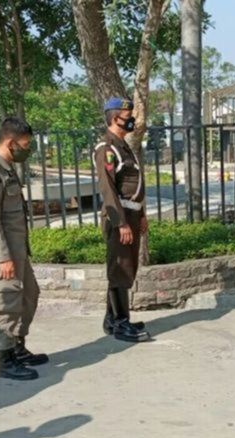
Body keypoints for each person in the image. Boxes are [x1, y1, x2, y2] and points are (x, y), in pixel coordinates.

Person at [0, 117, 48, 380]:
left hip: (18, 251)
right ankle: (5, 361)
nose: (27, 150)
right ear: (10, 142)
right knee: (7, 304)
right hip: (4, 253)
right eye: (25, 145)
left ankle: (18, 347)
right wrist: (4, 258)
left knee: (29, 295)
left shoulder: (6, 168)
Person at [94, 97, 151, 343]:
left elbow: (134, 186)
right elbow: (108, 190)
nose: (132, 120)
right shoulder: (106, 148)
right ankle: (120, 323)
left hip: (132, 214)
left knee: (125, 269)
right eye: (128, 117)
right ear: (114, 117)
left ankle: (112, 319)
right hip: (120, 217)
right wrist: (121, 223)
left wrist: (141, 215)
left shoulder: (124, 146)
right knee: (120, 270)